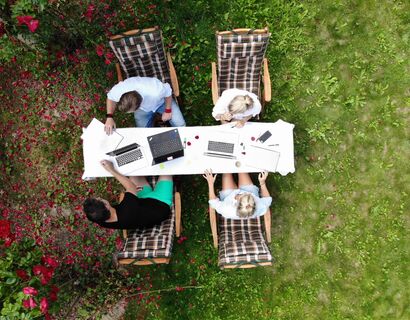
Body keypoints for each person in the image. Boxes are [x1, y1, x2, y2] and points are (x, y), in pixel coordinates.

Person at [83, 160, 173, 229]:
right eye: (99, 199)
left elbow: (131, 190)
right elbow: (130, 186)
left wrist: (132, 193)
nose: (99, 197)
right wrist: (111, 170)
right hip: (160, 205)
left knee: (133, 172)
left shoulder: (100, 219)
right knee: (166, 167)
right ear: (106, 206)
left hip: (140, 202)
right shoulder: (127, 211)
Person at [104, 76, 186, 134]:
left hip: (162, 102)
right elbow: (110, 98)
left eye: (132, 111)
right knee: (143, 132)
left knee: (180, 124)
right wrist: (109, 117)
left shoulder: (156, 91)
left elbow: (168, 91)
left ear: (138, 106)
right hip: (143, 110)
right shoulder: (120, 89)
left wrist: (168, 110)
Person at [203, 169, 271, 219]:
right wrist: (262, 183)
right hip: (250, 191)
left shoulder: (227, 209)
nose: (243, 192)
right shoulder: (259, 206)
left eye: (243, 195)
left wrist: (210, 183)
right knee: (240, 167)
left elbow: (213, 202)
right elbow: (267, 199)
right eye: (248, 195)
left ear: (236, 203)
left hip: (228, 196)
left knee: (226, 172)